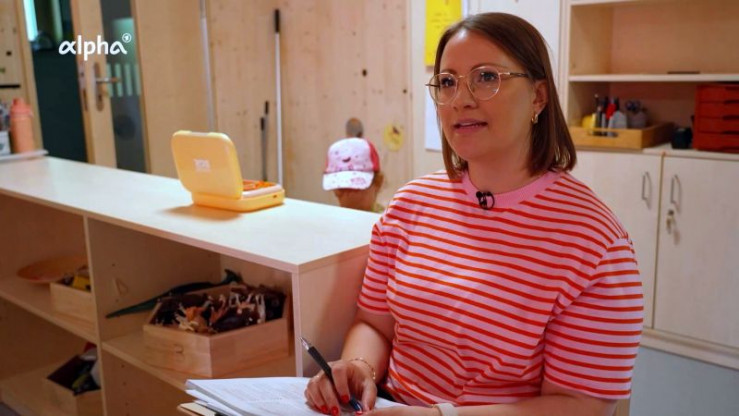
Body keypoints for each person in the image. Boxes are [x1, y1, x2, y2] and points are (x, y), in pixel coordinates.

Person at [305, 12, 642, 416]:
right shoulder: (409, 205)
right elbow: (374, 324)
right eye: (447, 82)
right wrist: (360, 368)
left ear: (538, 97)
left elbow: (579, 405)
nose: (460, 99)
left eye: (486, 77)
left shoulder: (596, 243)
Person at [323, 137, 385, 213]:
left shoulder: (386, 218)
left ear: (378, 183)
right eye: (341, 188)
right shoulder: (337, 217)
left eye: (357, 185)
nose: (348, 197)